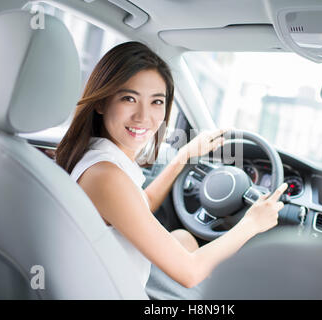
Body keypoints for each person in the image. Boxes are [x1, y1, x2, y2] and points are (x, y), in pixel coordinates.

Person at [55, 41, 287, 294]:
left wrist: (182, 157)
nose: (144, 116)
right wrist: (252, 223)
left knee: (185, 239)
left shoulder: (96, 156)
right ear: (101, 102)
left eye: (156, 102)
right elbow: (190, 272)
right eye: (129, 98)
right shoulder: (105, 176)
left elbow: (140, 202)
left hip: (107, 278)